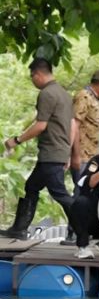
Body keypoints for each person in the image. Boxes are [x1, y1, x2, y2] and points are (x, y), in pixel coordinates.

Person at [0, 58, 75, 240]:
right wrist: (68, 151)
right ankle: (19, 228)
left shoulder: (47, 94)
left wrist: (16, 140)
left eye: (32, 76)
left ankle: (81, 230)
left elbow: (41, 125)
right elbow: (72, 125)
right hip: (56, 151)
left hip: (51, 152)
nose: (32, 81)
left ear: (39, 74)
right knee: (31, 186)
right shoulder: (64, 94)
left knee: (59, 193)